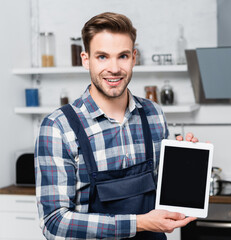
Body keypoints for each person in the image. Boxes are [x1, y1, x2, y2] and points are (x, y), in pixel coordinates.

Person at [35, 12, 197, 239]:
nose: (114, 68)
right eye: (102, 57)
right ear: (85, 59)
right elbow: (54, 221)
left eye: (122, 56)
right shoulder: (58, 127)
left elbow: (165, 194)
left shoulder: (153, 114)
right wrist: (139, 223)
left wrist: (185, 165)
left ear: (134, 58)